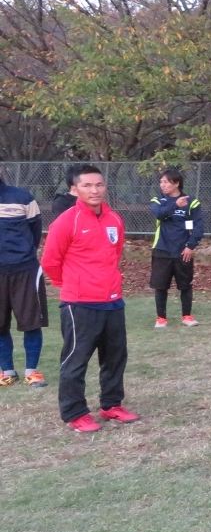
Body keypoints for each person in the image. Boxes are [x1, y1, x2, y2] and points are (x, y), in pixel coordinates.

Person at [40, 165, 138, 432]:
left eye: (99, 185)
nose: (95, 190)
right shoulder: (66, 221)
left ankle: (111, 404)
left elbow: (115, 253)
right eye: (87, 185)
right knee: (76, 360)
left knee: (115, 357)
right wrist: (71, 285)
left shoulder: (114, 219)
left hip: (113, 301)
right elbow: (50, 261)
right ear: (75, 190)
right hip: (80, 303)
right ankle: (75, 413)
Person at [0, 163, 49, 388]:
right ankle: (7, 372)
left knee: (31, 322)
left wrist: (22, 254)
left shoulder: (23, 198)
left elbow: (35, 231)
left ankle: (32, 372)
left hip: (25, 270)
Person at [149, 167, 203, 327]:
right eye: (161, 182)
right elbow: (159, 214)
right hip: (162, 250)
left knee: (185, 285)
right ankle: (161, 318)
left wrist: (190, 246)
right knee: (160, 286)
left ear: (176, 183)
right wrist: (175, 205)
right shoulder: (158, 201)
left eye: (166, 182)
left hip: (183, 251)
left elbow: (198, 227)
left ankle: (187, 316)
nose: (162, 185)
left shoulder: (192, 202)